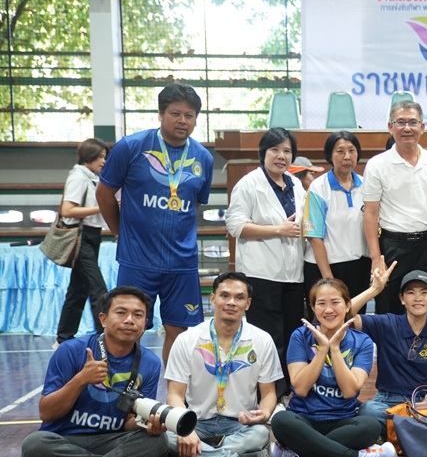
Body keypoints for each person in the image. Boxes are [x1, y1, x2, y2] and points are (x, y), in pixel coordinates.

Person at [96, 82, 214, 365]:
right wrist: (120, 232)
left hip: (181, 262)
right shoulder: (130, 147)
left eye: (189, 115)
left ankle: (173, 389)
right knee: (128, 329)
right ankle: (128, 386)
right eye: (175, 113)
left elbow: (193, 204)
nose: (182, 120)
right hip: (138, 259)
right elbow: (104, 193)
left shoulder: (204, 158)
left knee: (180, 332)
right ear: (160, 114)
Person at [21, 286, 167, 457]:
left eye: (138, 315)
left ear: (146, 323)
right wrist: (80, 380)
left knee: (157, 441)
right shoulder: (71, 350)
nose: (129, 320)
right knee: (34, 446)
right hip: (65, 441)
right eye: (121, 312)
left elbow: (129, 421)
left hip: (111, 442)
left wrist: (147, 424)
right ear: (103, 319)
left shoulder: (150, 363)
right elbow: (47, 413)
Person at [270, 278, 398, 457]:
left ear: (347, 306)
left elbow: (349, 391)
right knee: (281, 420)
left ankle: (297, 452)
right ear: (313, 308)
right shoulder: (300, 336)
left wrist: (335, 348)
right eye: (321, 303)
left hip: (342, 421)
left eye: (335, 302)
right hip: (304, 419)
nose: (328, 310)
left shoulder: (362, 341)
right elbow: (301, 389)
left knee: (370, 426)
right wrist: (322, 349)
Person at [163, 272, 279, 457]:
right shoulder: (187, 339)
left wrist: (265, 412)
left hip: (240, 424)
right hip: (196, 422)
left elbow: (269, 392)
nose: (231, 302)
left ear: (248, 304)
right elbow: (174, 394)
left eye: (239, 297)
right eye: (225, 295)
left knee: (260, 434)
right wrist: (185, 429)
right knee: (165, 436)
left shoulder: (262, 340)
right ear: (213, 299)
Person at [226, 128, 306, 397]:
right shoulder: (249, 184)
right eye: (275, 150)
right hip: (261, 274)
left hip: (293, 275)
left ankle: (291, 393)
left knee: (292, 335)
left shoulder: (295, 185)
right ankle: (269, 395)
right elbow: (235, 226)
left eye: (287, 151)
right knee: (268, 338)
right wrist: (277, 230)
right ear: (263, 153)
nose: (281, 156)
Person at [362, 100, 427, 317]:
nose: (407, 128)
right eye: (400, 122)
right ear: (390, 127)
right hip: (393, 247)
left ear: (422, 127)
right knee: (389, 311)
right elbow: (371, 213)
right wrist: (376, 258)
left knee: (426, 311)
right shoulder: (377, 164)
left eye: (413, 122)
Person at [349, 264, 427, 439]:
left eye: (424, 292)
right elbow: (345, 316)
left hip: (423, 402)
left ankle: (395, 432)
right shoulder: (387, 324)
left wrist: (426, 402)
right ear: (402, 298)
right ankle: (414, 431)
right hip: (387, 402)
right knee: (368, 411)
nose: (418, 298)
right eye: (411, 292)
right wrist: (374, 290)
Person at [303, 131, 371, 303]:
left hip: (359, 266)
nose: (347, 157)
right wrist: (329, 281)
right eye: (340, 151)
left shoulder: (367, 184)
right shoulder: (318, 187)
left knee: (355, 316)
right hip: (325, 267)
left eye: (352, 151)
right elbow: (314, 237)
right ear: (330, 155)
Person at [55, 138, 110, 345]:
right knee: (98, 288)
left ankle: (63, 338)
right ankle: (106, 339)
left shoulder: (91, 177)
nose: (104, 161)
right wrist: (101, 207)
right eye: (100, 157)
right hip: (80, 237)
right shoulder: (79, 177)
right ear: (89, 156)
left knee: (78, 290)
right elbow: (67, 210)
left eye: (105, 157)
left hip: (91, 236)